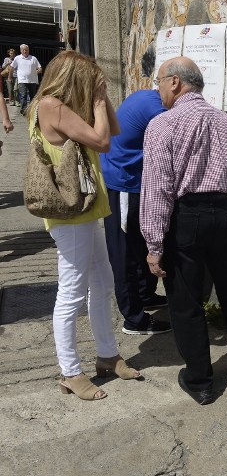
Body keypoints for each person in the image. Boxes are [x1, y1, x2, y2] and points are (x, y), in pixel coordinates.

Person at [140, 56, 227, 406]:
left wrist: (153, 243)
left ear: (175, 82)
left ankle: (200, 381)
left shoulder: (164, 124)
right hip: (226, 211)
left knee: (186, 300)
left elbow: (158, 187)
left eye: (159, 81)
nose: (158, 88)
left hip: (189, 215)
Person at [26, 50, 140, 400]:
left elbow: (113, 130)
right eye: (92, 79)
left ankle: (107, 355)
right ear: (75, 77)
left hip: (88, 210)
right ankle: (70, 372)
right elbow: (104, 142)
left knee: (102, 283)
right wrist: (96, 100)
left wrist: (101, 99)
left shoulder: (68, 108)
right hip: (70, 213)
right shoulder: (50, 106)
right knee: (72, 291)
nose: (97, 85)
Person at [101, 90, 171, 335]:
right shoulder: (157, 111)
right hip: (124, 183)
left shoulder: (146, 98)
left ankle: (145, 295)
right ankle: (134, 319)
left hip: (134, 183)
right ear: (173, 84)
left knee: (141, 244)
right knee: (126, 252)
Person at [12, 44, 42, 115]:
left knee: (33, 95)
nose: (25, 51)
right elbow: (12, 67)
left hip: (32, 80)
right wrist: (10, 77)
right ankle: (24, 110)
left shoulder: (33, 58)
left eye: (26, 50)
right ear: (21, 50)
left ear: (28, 50)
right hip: (22, 80)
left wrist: (39, 70)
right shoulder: (17, 58)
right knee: (23, 95)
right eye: (23, 50)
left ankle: (32, 109)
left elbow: (40, 68)